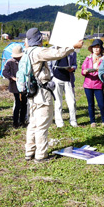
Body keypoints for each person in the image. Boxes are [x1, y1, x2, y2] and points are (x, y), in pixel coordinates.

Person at [24, 28, 83, 162]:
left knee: (32, 123)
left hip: (31, 92)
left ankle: (29, 151)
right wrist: (73, 46)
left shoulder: (26, 51)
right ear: (39, 39)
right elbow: (56, 53)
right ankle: (41, 155)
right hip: (42, 93)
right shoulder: (38, 52)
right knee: (42, 124)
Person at [81, 39, 104, 128]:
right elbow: (83, 70)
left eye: (98, 47)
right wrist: (84, 72)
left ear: (101, 49)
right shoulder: (88, 58)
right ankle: (92, 121)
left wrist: (97, 71)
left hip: (98, 83)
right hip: (88, 84)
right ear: (91, 49)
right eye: (94, 47)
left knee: (101, 104)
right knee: (90, 104)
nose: (96, 49)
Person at [49, 50, 78, 128]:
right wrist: (52, 76)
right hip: (57, 78)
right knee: (58, 101)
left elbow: (75, 64)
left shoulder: (72, 51)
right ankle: (59, 122)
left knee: (72, 102)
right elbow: (49, 65)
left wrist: (73, 68)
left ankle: (73, 120)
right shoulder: (53, 50)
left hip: (68, 79)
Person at [2, 44, 27, 128]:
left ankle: (22, 121)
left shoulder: (25, 61)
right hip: (15, 86)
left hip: (25, 85)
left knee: (24, 103)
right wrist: (12, 78)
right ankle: (15, 122)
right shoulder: (10, 61)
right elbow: (4, 72)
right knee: (18, 104)